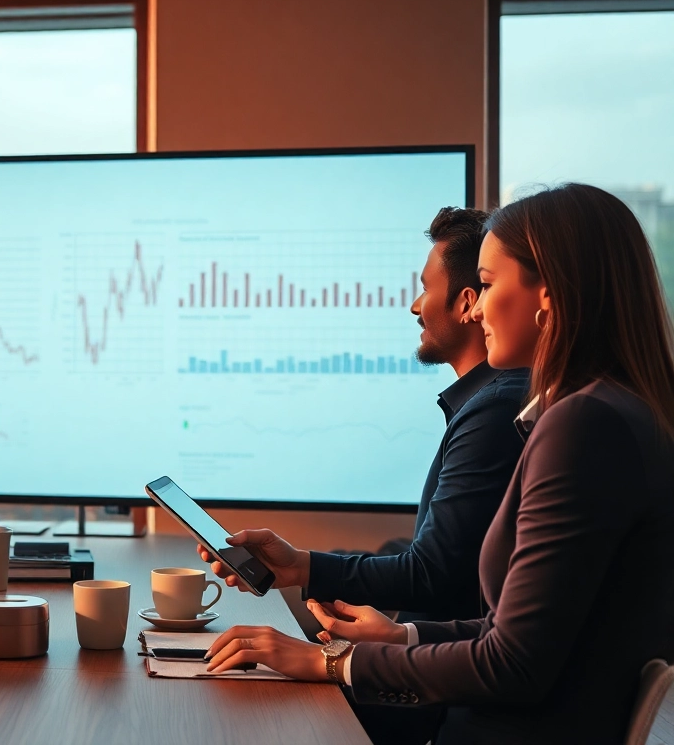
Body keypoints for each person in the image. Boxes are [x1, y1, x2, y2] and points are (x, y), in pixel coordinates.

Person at [203, 184, 674, 745]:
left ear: (547, 296)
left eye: (491, 284)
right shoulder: (624, 411)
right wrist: (404, 637)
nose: (480, 302)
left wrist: (330, 664)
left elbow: (514, 663)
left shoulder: (582, 426)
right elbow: (528, 631)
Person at [204, 207, 530, 745]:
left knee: (235, 710)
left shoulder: (496, 412)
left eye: (426, 288)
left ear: (469, 303)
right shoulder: (489, 406)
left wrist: (339, 653)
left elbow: (435, 576)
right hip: (424, 663)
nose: (414, 305)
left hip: (429, 692)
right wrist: (302, 568)